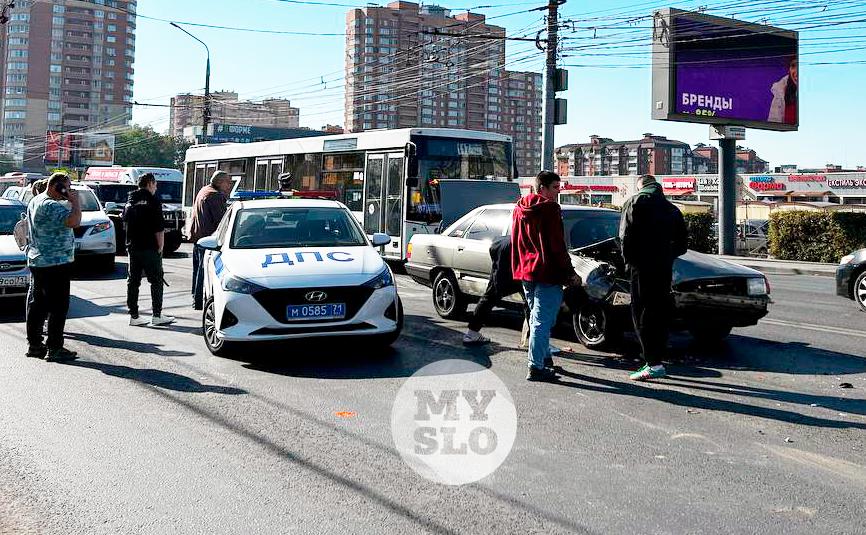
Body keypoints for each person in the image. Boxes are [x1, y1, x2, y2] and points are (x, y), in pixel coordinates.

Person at [512, 170, 581, 382]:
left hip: (527, 270)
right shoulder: (551, 208)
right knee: (542, 320)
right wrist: (570, 272)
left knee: (537, 318)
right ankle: (536, 366)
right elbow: (557, 245)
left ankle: (544, 358)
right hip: (548, 272)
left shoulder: (519, 206)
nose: (558, 192)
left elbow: (515, 239)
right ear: (542, 187)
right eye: (555, 188)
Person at [619, 174, 688, 381]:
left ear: (641, 186)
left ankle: (652, 363)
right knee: (659, 312)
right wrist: (665, 256)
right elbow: (682, 245)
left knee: (641, 313)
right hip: (663, 269)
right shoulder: (672, 209)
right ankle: (657, 359)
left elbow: (624, 237)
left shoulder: (634, 202)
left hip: (641, 269)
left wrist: (629, 263)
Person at [25, 172, 80, 362]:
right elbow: (74, 222)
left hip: (39, 260)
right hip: (55, 262)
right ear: (58, 187)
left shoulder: (37, 200)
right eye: (67, 186)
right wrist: (75, 201)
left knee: (38, 304)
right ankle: (55, 348)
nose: (70, 190)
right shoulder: (49, 205)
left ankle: (35, 345)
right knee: (58, 306)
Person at [123, 173, 174, 327]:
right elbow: (159, 228)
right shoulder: (153, 202)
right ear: (150, 183)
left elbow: (125, 223)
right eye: (156, 184)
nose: (156, 187)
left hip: (133, 247)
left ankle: (134, 315)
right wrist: (160, 247)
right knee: (156, 280)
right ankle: (157, 315)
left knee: (133, 281)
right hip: (150, 247)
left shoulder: (130, 201)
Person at [463, 235, 527, 345]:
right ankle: (536, 342)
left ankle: (472, 333)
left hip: (504, 247)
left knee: (491, 295)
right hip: (516, 251)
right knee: (532, 301)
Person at [189, 170, 232, 310]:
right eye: (228, 182)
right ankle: (199, 301)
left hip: (198, 237)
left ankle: (196, 297)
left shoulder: (204, 190)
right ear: (220, 182)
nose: (230, 185)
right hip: (209, 240)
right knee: (204, 272)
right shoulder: (214, 196)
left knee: (198, 271)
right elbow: (222, 222)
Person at [768, 57, 798, 124]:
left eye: (800, 66)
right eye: (793, 66)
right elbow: (774, 125)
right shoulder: (780, 92)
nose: (797, 71)